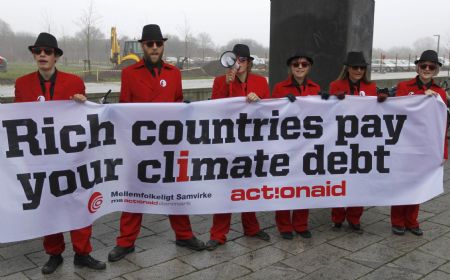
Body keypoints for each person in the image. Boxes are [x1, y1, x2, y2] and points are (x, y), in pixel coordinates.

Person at [107, 24, 205, 262]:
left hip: (168, 145)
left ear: (163, 46)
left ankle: (184, 234)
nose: (154, 47)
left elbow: (178, 103)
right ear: (143, 46)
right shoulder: (129, 74)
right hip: (139, 146)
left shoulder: (174, 73)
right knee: (134, 193)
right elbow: (124, 110)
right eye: (150, 44)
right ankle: (125, 242)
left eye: (158, 43)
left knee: (175, 191)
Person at [14, 32, 106, 274]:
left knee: (78, 201)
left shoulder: (74, 82)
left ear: (56, 57)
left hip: (72, 157)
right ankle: (54, 253)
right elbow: (17, 121)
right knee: (48, 205)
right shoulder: (22, 84)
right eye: (38, 51)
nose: (42, 54)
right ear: (34, 55)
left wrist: (82, 103)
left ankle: (82, 252)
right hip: (40, 158)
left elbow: (84, 117)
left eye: (47, 51)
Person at [206, 44, 271, 250]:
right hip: (228, 143)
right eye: (236, 60)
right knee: (226, 188)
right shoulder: (220, 81)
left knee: (249, 187)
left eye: (243, 60)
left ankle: (251, 228)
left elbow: (269, 109)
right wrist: (227, 84)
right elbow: (216, 108)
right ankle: (218, 234)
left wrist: (259, 101)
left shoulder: (260, 82)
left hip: (252, 142)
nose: (239, 64)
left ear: (249, 63)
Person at [391, 50, 447, 236]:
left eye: (431, 67)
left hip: (425, 147)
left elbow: (442, 125)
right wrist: (421, 98)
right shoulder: (404, 86)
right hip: (404, 144)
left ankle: (412, 221)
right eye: (423, 66)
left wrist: (443, 152)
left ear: (437, 70)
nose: (427, 69)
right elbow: (397, 110)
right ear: (417, 67)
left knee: (418, 184)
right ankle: (397, 221)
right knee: (401, 183)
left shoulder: (439, 92)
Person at [271, 52, 320, 239]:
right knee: (284, 184)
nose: (300, 67)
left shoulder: (316, 88)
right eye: (295, 64)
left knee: (304, 184)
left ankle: (300, 224)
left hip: (307, 145)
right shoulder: (279, 87)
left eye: (304, 64)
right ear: (290, 67)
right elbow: (272, 113)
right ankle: (284, 226)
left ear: (309, 67)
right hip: (285, 144)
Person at [328, 51, 377, 234]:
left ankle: (355, 218)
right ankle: (337, 217)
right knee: (340, 178)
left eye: (362, 67)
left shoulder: (371, 87)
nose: (358, 70)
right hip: (341, 140)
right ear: (347, 68)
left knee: (360, 180)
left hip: (363, 141)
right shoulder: (335, 85)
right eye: (355, 67)